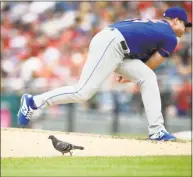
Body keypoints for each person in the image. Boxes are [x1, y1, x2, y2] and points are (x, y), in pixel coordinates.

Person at [17, 7, 192, 141]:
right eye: (185, 24)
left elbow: (144, 66)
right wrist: (131, 75)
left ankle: (157, 131)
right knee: (83, 92)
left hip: (116, 45)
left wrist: (131, 72)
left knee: (147, 77)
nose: (186, 28)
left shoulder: (155, 26)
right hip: (112, 44)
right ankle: (33, 102)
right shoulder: (170, 36)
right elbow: (153, 63)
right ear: (176, 20)